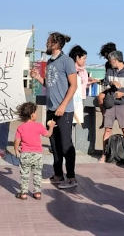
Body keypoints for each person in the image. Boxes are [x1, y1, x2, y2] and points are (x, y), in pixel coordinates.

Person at [30, 32, 79, 189]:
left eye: (49, 41)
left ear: (56, 44)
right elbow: (50, 84)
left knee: (66, 145)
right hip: (51, 109)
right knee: (54, 145)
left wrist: (63, 105)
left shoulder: (67, 61)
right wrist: (38, 77)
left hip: (64, 110)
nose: (46, 43)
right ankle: (58, 175)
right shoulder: (50, 62)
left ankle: (71, 178)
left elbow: (74, 85)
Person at [99, 50, 124, 162]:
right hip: (110, 104)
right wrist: (111, 83)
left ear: (115, 60)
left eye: (111, 61)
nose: (110, 63)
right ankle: (104, 154)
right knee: (107, 130)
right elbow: (104, 83)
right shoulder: (110, 70)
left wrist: (123, 93)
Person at [13, 102, 56, 200]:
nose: (36, 114)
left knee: (24, 174)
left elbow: (17, 141)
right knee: (37, 173)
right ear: (32, 115)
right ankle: (37, 193)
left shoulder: (21, 127)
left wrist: (16, 150)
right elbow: (48, 134)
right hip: (37, 154)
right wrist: (51, 126)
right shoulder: (39, 126)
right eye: (36, 113)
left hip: (25, 154)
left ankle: (23, 193)